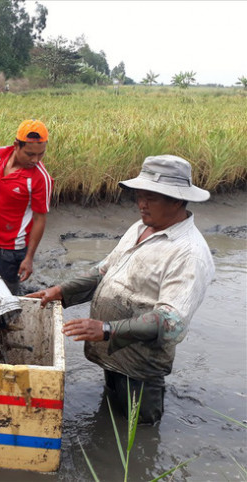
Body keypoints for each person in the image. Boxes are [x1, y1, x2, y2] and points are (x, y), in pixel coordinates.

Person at [29, 155, 215, 424]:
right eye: (139, 195)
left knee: (138, 435)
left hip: (140, 367)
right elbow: (104, 271)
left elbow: (171, 323)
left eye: (151, 197)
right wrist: (60, 291)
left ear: (177, 200)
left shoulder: (189, 254)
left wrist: (106, 329)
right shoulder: (141, 226)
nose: (141, 204)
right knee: (111, 418)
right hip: (112, 355)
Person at [0, 119, 53, 295]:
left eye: (41, 154)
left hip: (10, 250)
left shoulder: (40, 178)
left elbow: (40, 219)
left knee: (5, 297)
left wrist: (29, 258)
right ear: (17, 145)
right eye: (30, 154)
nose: (35, 159)